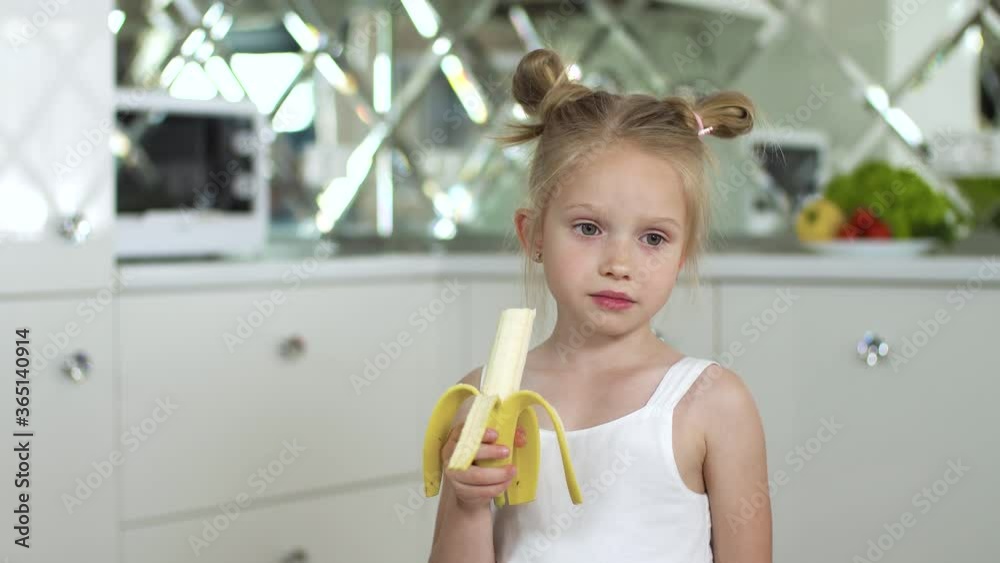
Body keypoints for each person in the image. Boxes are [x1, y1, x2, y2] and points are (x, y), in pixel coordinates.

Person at [428, 48, 771, 563]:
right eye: (588, 228)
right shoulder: (482, 398)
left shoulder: (713, 404)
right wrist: (467, 501)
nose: (619, 263)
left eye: (653, 238)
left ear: (682, 256)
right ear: (534, 234)